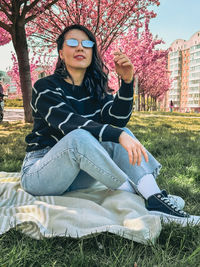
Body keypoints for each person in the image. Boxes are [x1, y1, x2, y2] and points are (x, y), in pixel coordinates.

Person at [21, 24, 193, 224]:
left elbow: (116, 120)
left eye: (86, 43)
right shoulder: (45, 87)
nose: (80, 48)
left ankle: (155, 198)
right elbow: (70, 123)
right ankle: (138, 196)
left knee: (120, 131)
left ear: (92, 51)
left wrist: (127, 82)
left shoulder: (95, 89)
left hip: (77, 176)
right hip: (41, 173)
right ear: (61, 52)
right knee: (80, 137)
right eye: (72, 43)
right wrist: (118, 135)